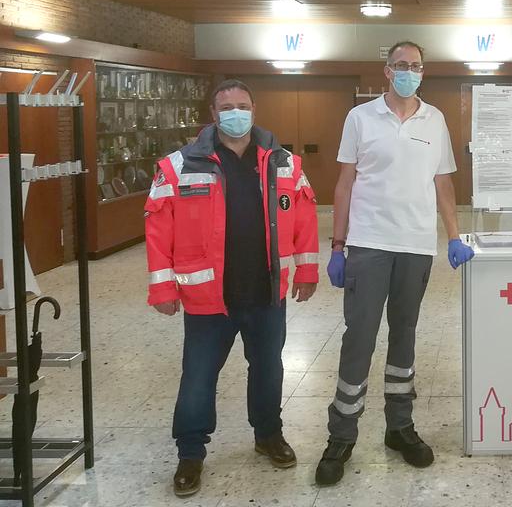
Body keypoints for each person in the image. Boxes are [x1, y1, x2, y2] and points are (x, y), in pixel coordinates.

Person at [145, 79, 320, 498]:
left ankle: (268, 434)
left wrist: (307, 270)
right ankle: (190, 453)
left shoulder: (283, 163)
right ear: (213, 113)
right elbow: (158, 227)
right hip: (208, 299)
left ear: (254, 110)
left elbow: (303, 217)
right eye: (226, 107)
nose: (235, 113)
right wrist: (163, 288)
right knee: (198, 376)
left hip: (266, 293)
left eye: (243, 105)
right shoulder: (179, 165)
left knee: (268, 369)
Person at [314, 41, 474, 486]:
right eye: (401, 65)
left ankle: (399, 427)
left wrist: (454, 236)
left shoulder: (435, 119)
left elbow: (443, 183)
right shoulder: (360, 117)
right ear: (386, 71)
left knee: (405, 334)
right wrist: (337, 246)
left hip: (415, 244)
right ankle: (341, 435)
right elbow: (344, 184)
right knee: (360, 337)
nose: (408, 72)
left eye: (416, 66)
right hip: (368, 243)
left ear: (423, 71)